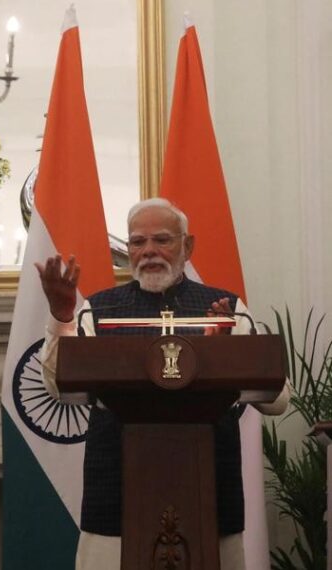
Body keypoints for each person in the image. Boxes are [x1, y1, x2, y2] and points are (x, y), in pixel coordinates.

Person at [36, 198, 290, 570]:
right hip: (116, 495)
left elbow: (278, 401)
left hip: (208, 492)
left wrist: (225, 355)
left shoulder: (226, 309)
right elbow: (57, 387)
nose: (148, 251)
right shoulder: (98, 310)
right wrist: (62, 317)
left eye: (162, 240)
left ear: (188, 246)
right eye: (137, 242)